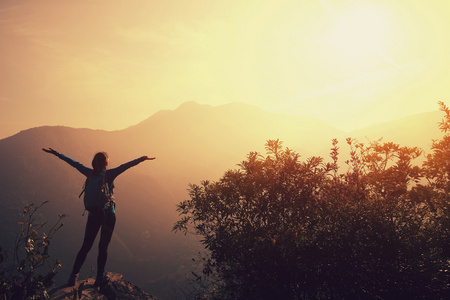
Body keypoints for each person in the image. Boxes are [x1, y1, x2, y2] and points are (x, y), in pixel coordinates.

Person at [42, 148, 155, 286]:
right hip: (108, 215)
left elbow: (73, 162)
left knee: (86, 246)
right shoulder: (109, 174)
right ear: (106, 163)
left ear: (94, 162)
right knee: (103, 247)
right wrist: (142, 158)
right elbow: (126, 166)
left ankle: (73, 276)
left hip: (93, 215)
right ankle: (99, 279)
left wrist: (56, 153)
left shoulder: (89, 173)